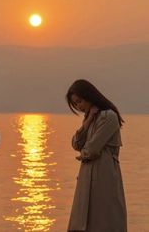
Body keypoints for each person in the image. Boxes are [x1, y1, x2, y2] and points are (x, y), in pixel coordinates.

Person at [66, 79, 127, 232]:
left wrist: (84, 154)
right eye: (76, 104)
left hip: (104, 178)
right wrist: (86, 123)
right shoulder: (90, 118)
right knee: (82, 223)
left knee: (105, 221)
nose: (79, 107)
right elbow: (76, 144)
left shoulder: (108, 117)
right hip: (87, 178)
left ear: (89, 96)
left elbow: (91, 150)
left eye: (79, 102)